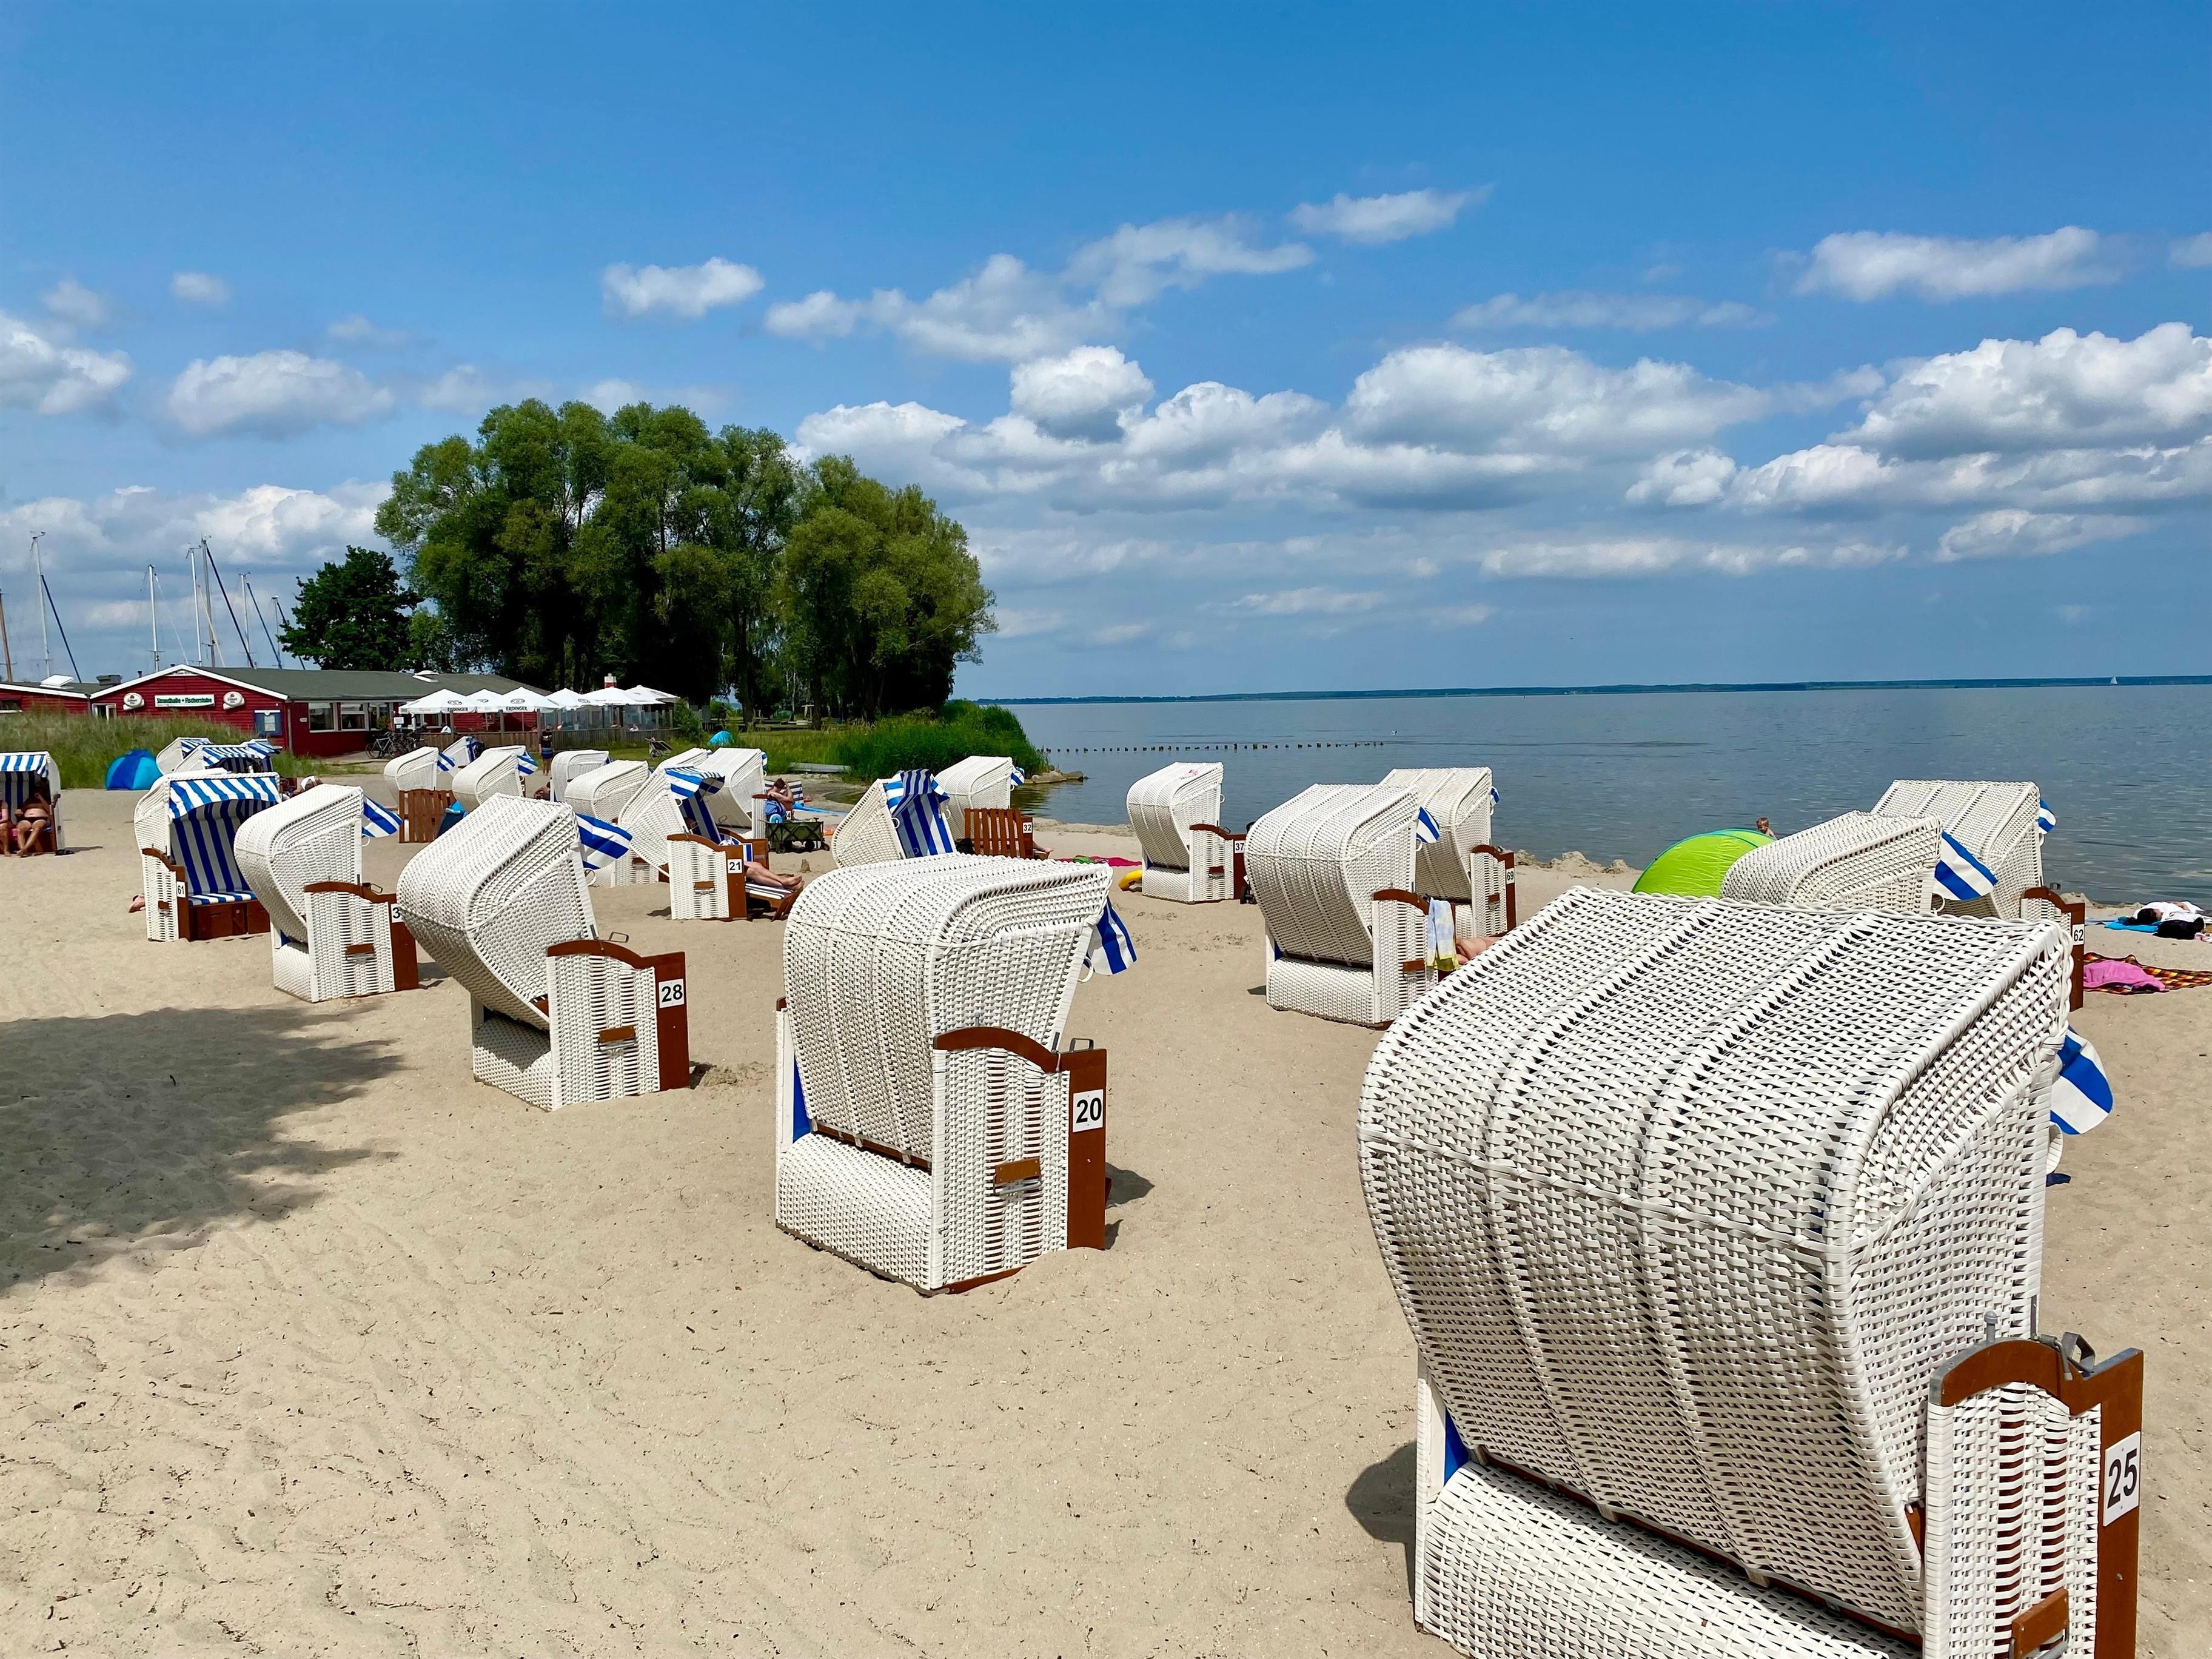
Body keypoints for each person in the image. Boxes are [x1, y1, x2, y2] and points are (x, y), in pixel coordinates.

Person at [10, 781, 56, 854]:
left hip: (41, 818)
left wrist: (41, 798)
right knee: (20, 829)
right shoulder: (29, 801)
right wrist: (18, 813)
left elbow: (49, 810)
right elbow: (22, 810)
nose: (38, 791)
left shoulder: (47, 800)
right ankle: (22, 849)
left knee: (36, 828)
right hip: (27, 819)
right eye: (36, 789)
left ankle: (24, 849)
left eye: (40, 789)